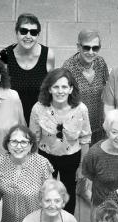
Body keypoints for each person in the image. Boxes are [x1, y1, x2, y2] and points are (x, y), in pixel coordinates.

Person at [29, 68, 91, 214]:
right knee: (46, 191)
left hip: (72, 157)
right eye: (56, 87)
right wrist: (34, 164)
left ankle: (67, 220)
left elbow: (85, 138)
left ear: (71, 89)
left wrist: (82, 166)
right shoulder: (38, 108)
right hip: (46, 156)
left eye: (64, 87)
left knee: (69, 192)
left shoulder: (81, 109)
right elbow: (34, 138)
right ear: (49, 89)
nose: (60, 91)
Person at [0, 125, 53, 222]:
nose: (18, 146)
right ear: (7, 144)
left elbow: (50, 195)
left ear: (31, 145)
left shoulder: (42, 163)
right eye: (14, 141)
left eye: (24, 142)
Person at [0, 13, 55, 125]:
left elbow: (51, 89)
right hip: (14, 120)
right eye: (24, 31)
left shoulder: (48, 55)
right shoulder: (6, 56)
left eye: (33, 32)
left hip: (40, 119)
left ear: (38, 35)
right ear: (16, 32)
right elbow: (0, 93)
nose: (28, 36)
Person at [62, 29, 110, 144]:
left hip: (99, 127)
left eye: (95, 48)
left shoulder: (100, 62)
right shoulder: (68, 67)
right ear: (78, 47)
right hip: (78, 129)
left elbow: (107, 90)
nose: (91, 52)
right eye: (86, 47)